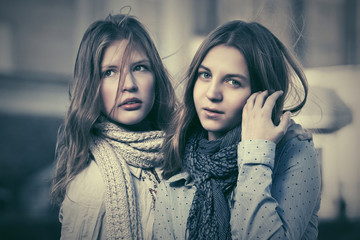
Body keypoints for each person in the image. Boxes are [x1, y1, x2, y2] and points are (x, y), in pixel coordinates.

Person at [153, 20, 321, 239]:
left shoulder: (294, 151)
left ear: (263, 95)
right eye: (205, 75)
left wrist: (256, 152)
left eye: (232, 82)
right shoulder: (178, 162)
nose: (212, 93)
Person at [50, 13, 177, 240]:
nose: (128, 84)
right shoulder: (91, 187)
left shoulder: (179, 154)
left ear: (156, 76)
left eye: (139, 67)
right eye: (109, 72)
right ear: (91, 87)